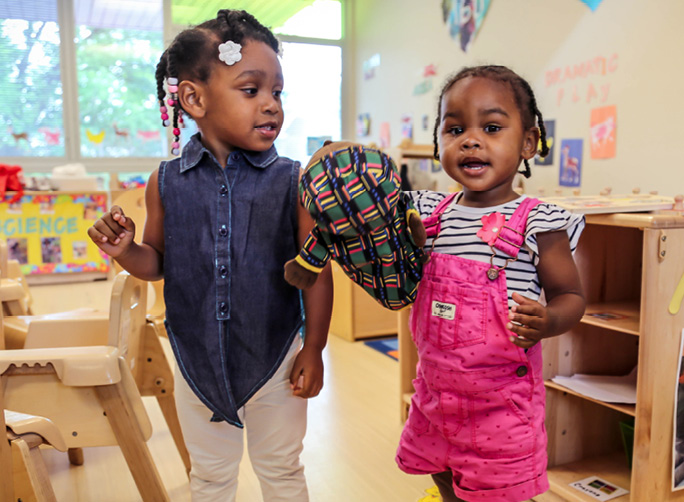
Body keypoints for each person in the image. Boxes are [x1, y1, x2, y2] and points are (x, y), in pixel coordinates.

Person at [87, 10, 333, 502]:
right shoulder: (165, 181)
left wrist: (314, 349)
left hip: (276, 357)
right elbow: (156, 263)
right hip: (195, 362)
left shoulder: (293, 179)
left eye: (277, 93)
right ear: (194, 98)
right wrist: (125, 251)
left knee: (281, 470)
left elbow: (316, 270)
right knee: (210, 478)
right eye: (252, 90)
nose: (271, 106)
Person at [395, 65, 586, 502]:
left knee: (497, 493)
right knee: (444, 477)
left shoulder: (540, 222)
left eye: (493, 126)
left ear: (528, 143)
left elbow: (571, 297)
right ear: (438, 142)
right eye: (455, 128)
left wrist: (551, 319)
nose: (471, 139)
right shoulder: (427, 212)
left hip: (501, 406)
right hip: (436, 396)